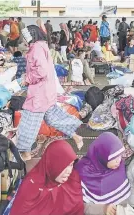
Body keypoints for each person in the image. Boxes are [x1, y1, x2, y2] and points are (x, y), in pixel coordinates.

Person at [16, 25, 83, 161]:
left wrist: (27, 79)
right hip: (47, 91)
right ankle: (76, 136)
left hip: (38, 95)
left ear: (31, 35)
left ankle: (25, 153)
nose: (23, 39)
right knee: (52, 118)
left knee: (28, 124)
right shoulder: (42, 45)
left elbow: (41, 71)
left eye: (24, 36)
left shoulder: (36, 48)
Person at [10, 140, 85, 215]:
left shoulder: (72, 180)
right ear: (53, 164)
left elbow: (77, 208)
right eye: (64, 165)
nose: (69, 171)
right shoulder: (31, 186)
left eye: (71, 165)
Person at [76, 132, 130, 210]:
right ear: (103, 155)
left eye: (120, 156)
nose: (118, 160)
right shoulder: (84, 171)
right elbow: (83, 206)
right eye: (114, 157)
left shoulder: (119, 165)